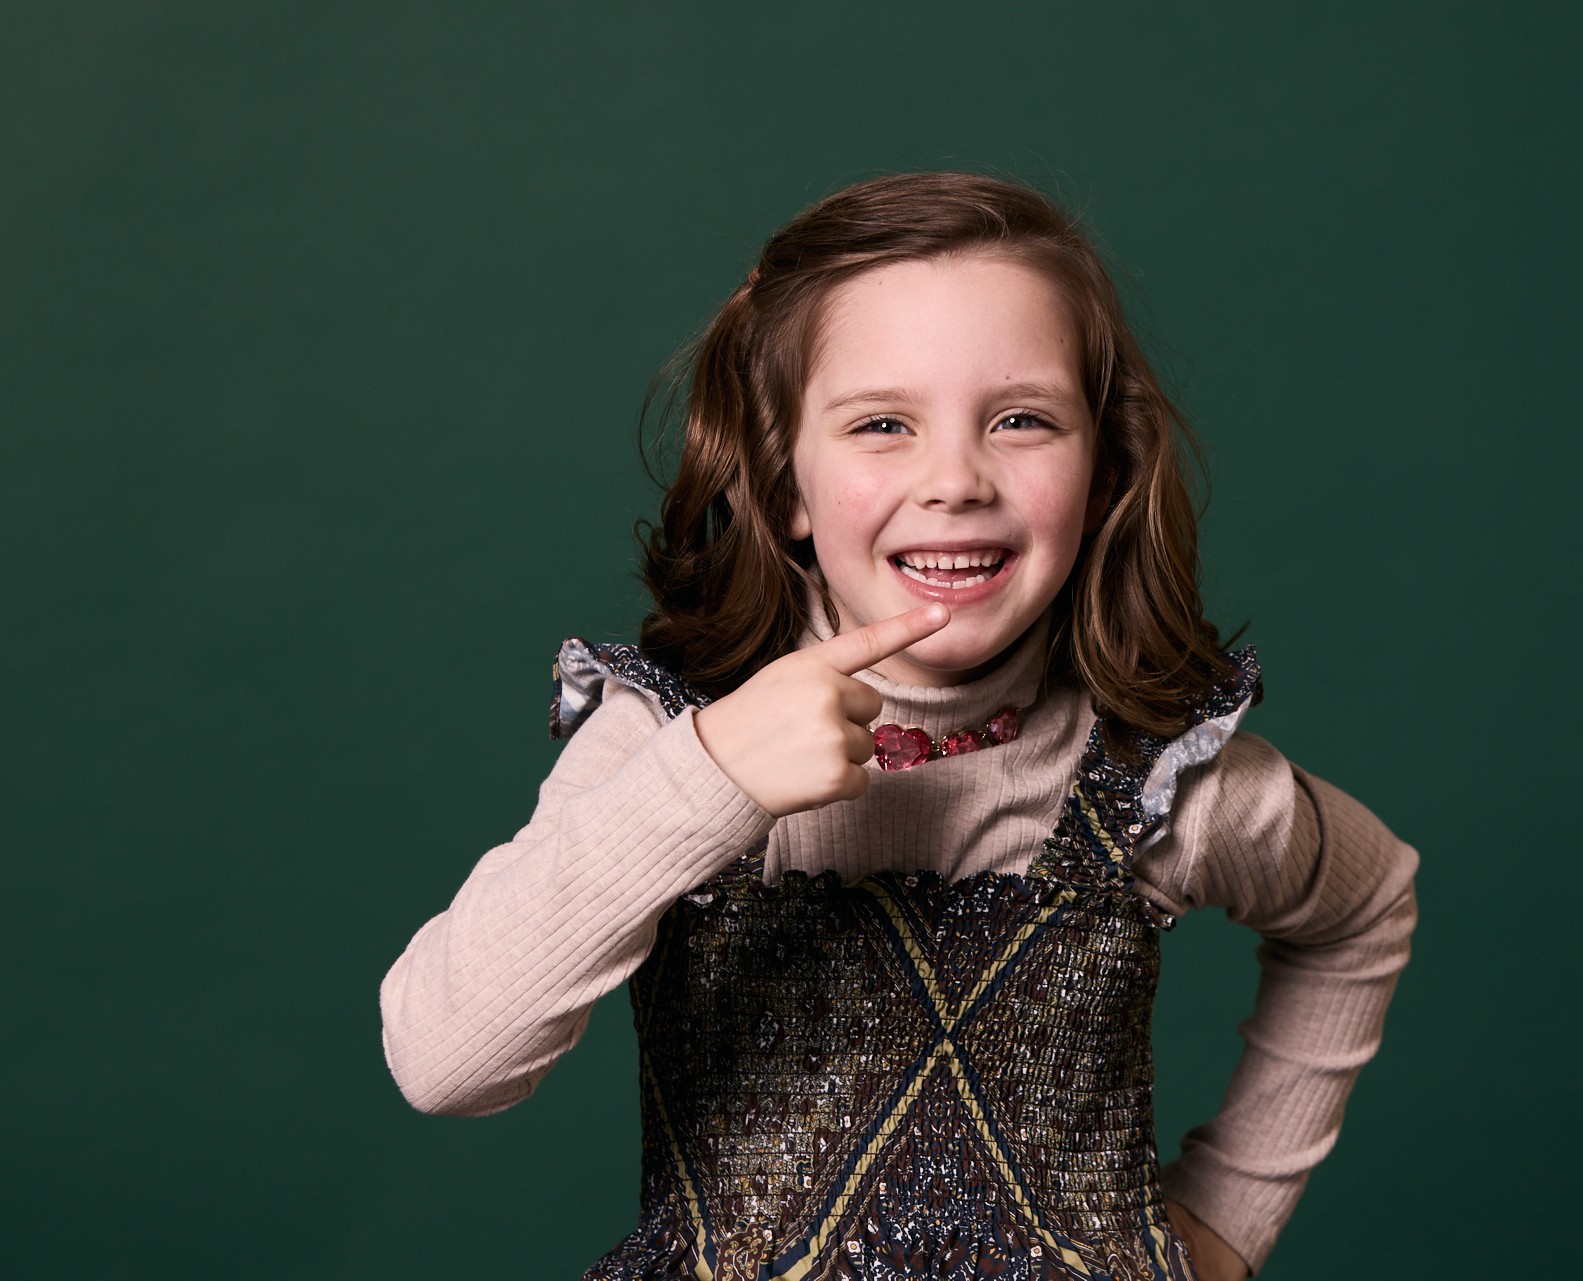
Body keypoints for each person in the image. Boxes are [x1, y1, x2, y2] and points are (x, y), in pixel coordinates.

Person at [381, 172, 1418, 1281]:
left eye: (1021, 420)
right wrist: (710, 780)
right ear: (784, 482)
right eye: (883, 424)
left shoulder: (1163, 780)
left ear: (1105, 471)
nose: (955, 480)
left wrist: (1226, 1220)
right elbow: (446, 1061)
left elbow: (1366, 900)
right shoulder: (674, 740)